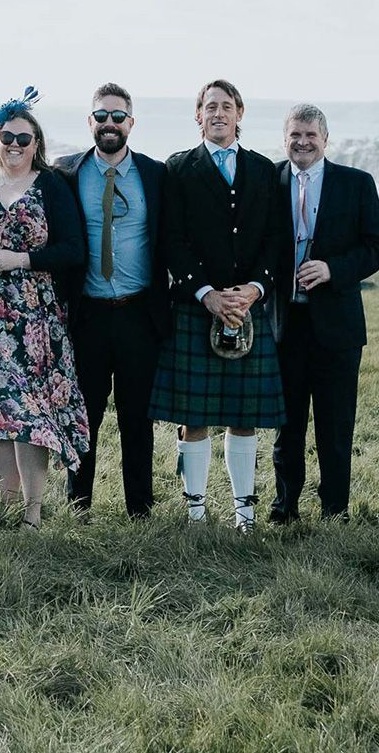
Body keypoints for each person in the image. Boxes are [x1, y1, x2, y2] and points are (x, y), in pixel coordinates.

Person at [149, 79, 286, 530]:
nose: (218, 113)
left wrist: (254, 289)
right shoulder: (179, 168)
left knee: (243, 416)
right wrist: (205, 292)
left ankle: (244, 514)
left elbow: (276, 239)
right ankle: (196, 511)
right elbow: (171, 239)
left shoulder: (265, 170)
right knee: (195, 415)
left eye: (226, 106)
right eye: (210, 107)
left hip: (248, 304)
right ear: (198, 115)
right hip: (196, 303)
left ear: (240, 113)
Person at [0, 88, 90, 528]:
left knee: (31, 415)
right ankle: (7, 508)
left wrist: (18, 259)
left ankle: (33, 512)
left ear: (37, 144)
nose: (15, 146)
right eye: (7, 138)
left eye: (24, 139)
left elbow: (74, 250)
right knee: (3, 414)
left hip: (36, 318)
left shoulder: (52, 186)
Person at [54, 83, 170, 519]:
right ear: (90, 122)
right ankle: (78, 505)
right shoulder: (64, 173)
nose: (109, 123)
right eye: (101, 116)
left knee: (136, 419)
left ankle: (139, 509)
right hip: (86, 314)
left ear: (131, 124)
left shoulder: (156, 175)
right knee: (84, 415)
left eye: (118, 116)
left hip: (140, 313)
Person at [269, 104, 379, 523]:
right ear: (285, 139)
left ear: (325, 139)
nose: (302, 142)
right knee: (287, 427)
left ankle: (335, 510)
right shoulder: (271, 180)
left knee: (335, 428)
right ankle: (284, 509)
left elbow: (375, 246)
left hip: (338, 329)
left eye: (311, 135)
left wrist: (334, 269)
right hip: (285, 325)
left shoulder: (356, 183)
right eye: (295, 134)